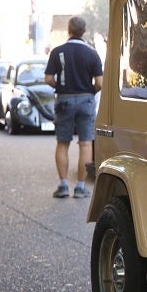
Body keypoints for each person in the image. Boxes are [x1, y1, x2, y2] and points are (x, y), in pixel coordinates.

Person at [44, 17, 103, 198]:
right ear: (83, 31)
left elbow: (48, 79)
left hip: (65, 100)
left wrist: (61, 88)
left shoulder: (57, 52)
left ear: (69, 30)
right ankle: (80, 187)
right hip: (86, 101)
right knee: (86, 143)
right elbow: (99, 83)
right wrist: (88, 92)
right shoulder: (92, 54)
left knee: (63, 143)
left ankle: (63, 186)